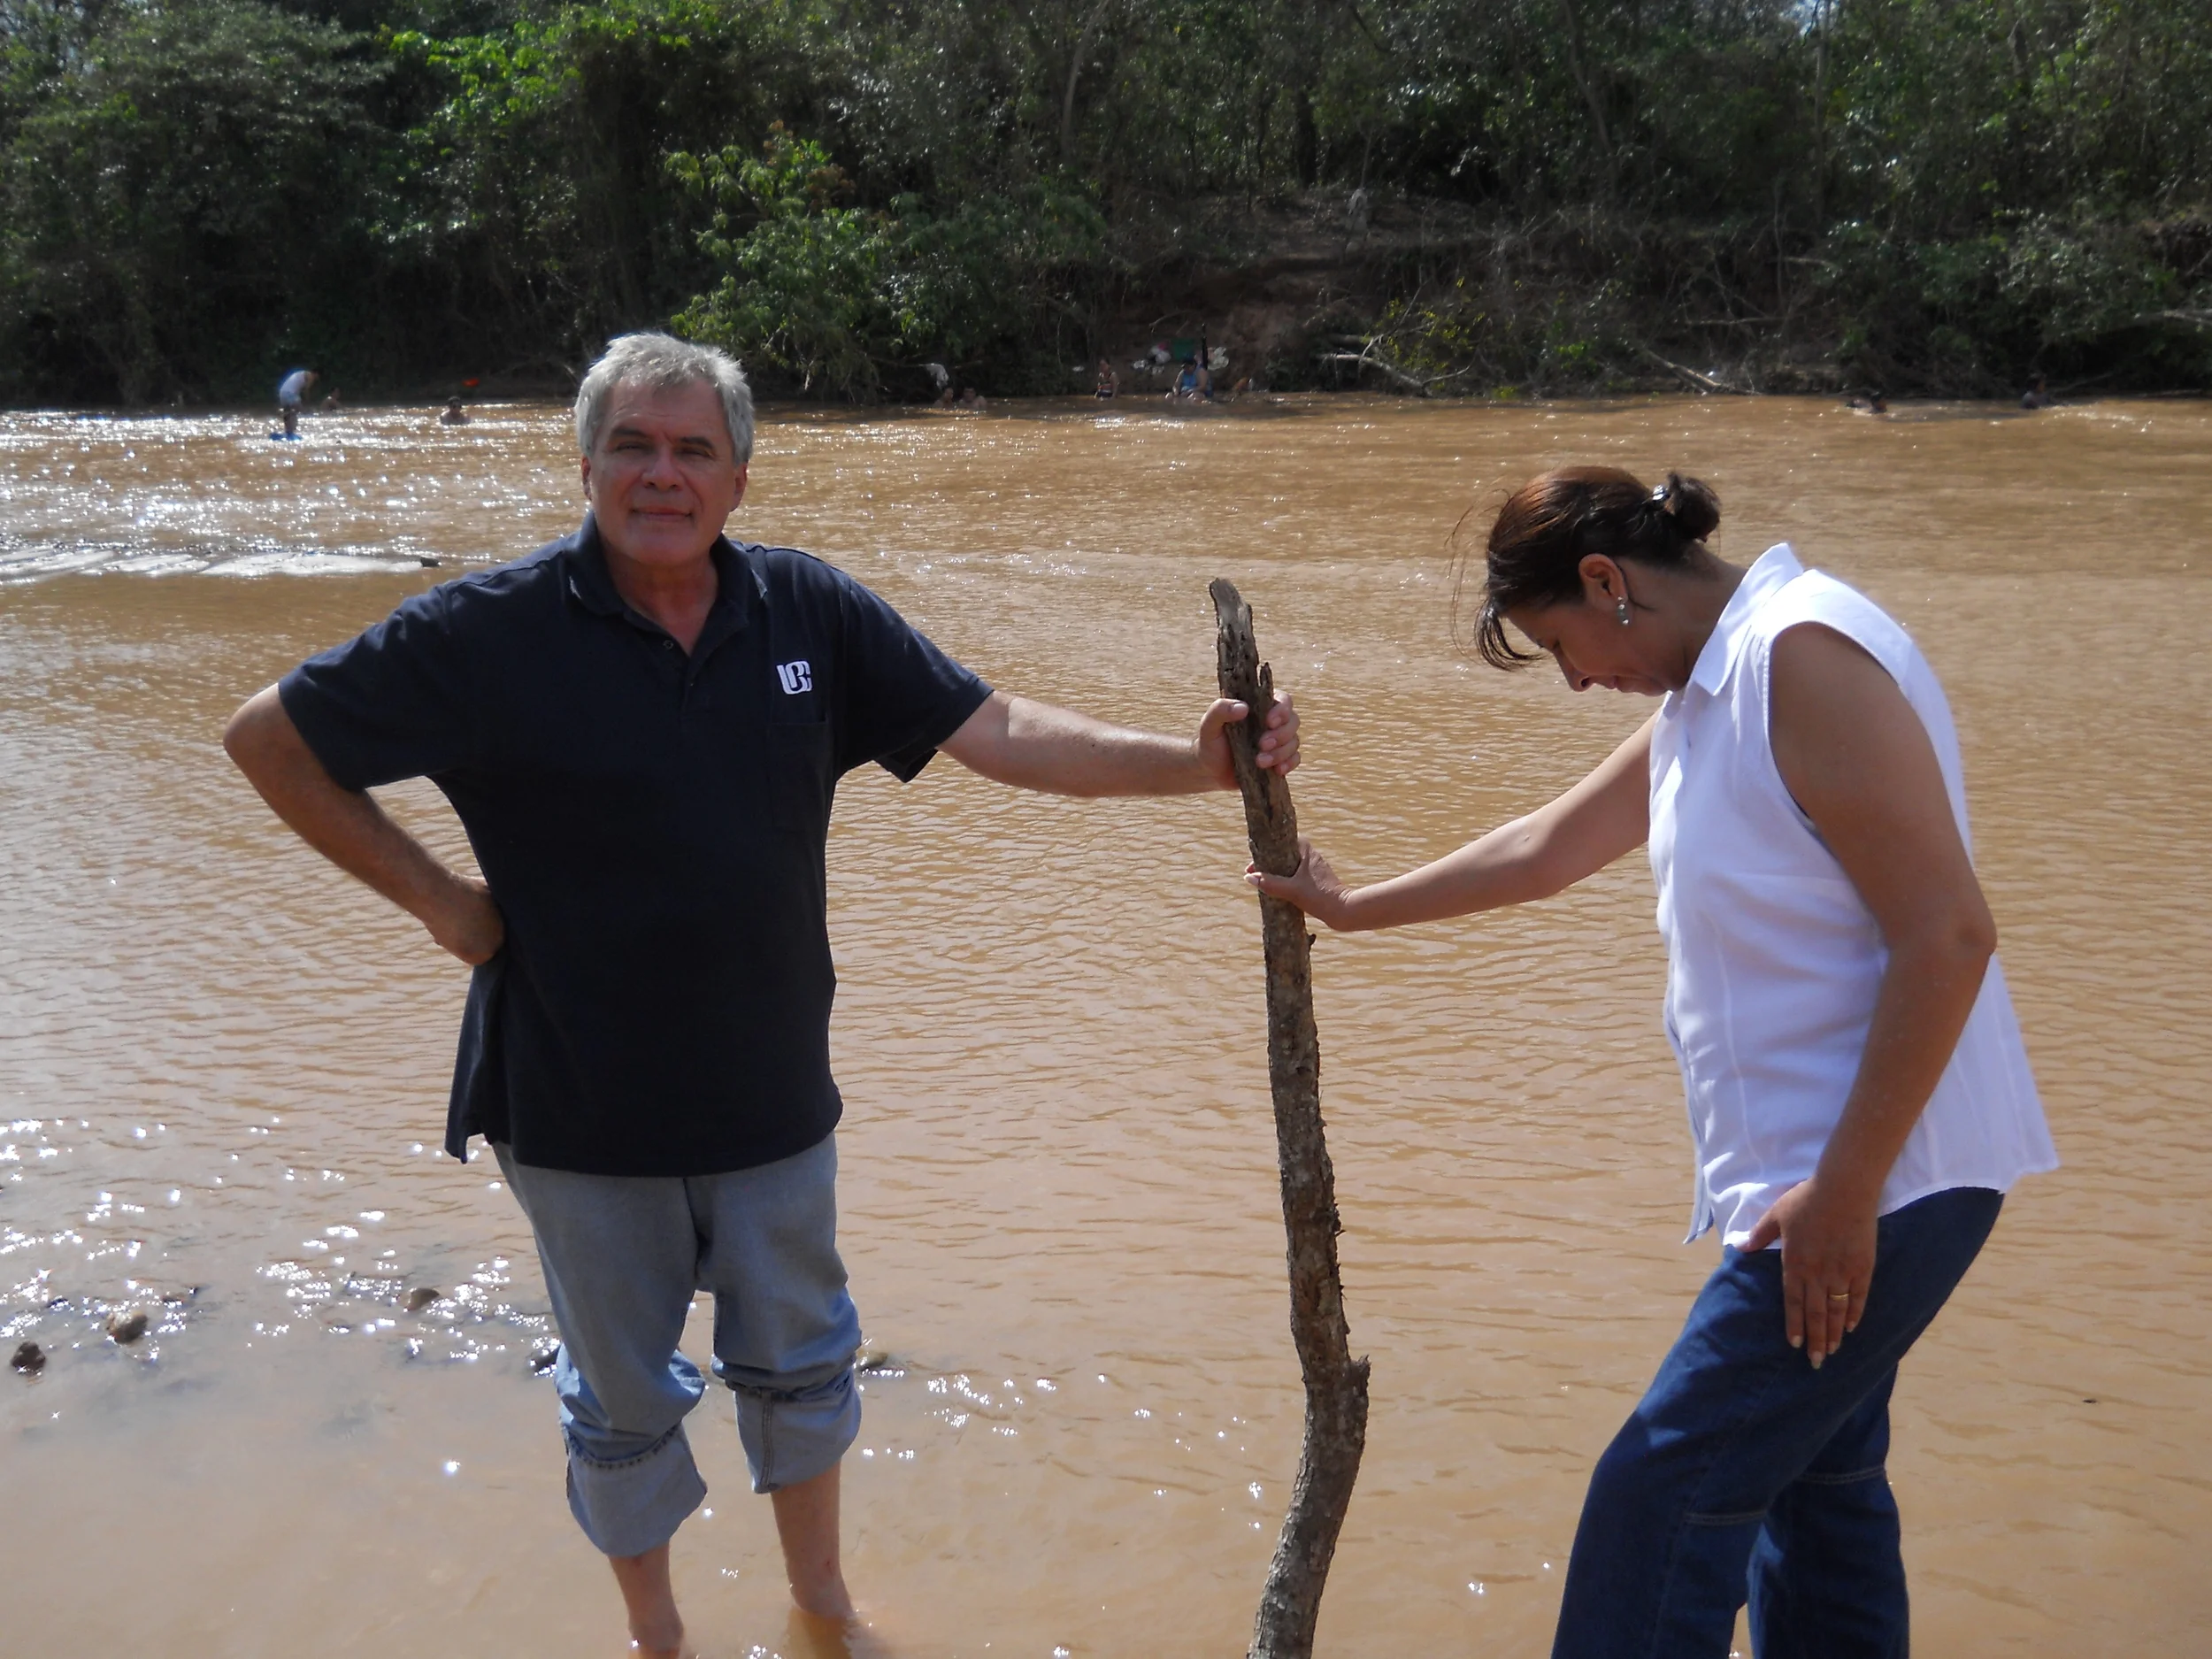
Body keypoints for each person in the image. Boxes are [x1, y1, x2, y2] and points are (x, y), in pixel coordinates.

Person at [222, 331, 1297, 1659]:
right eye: (632, 446)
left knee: (803, 1369)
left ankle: (822, 1609)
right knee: (621, 1404)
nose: (661, 475)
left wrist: (1194, 765)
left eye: (693, 450)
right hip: (575, 1107)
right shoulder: (485, 631)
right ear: (584, 465)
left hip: (772, 1099)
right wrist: (443, 901)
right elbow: (269, 739)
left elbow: (999, 728)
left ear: (739, 478)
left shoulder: (807, 612)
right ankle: (657, 1637)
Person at [1248, 466, 2055, 1659]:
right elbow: (1545, 848)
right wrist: (1354, 906)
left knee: (1656, 1496)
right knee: (1816, 1496)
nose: (1576, 680)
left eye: (1560, 646)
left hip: (1878, 1183)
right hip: (1826, 1185)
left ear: (1605, 581)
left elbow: (1949, 934)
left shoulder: (1797, 655)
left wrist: (1844, 1191)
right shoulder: (1711, 691)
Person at [276, 366, 318, 437]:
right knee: (300, 411)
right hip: (290, 394)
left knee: (288, 413)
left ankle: (288, 432)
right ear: (316, 374)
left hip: (282, 393)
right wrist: (308, 402)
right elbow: (306, 390)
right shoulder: (310, 376)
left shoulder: (300, 374)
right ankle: (292, 432)